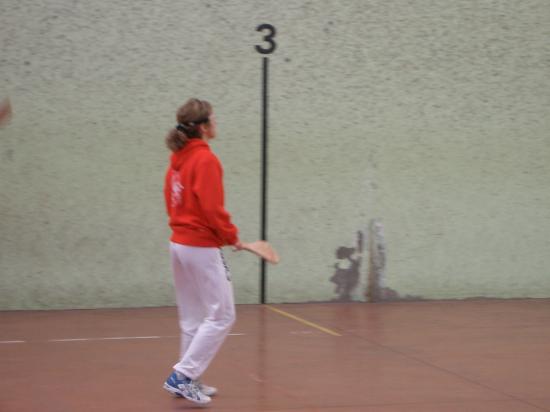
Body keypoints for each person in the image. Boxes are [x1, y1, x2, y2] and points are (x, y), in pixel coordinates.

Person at [162, 98, 241, 405]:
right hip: (199, 245)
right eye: (214, 120)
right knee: (223, 315)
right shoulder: (206, 160)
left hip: (179, 244)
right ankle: (182, 375)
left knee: (193, 318)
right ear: (204, 127)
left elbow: (171, 199)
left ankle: (189, 379)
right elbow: (212, 208)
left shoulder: (178, 159)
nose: (216, 125)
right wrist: (230, 236)